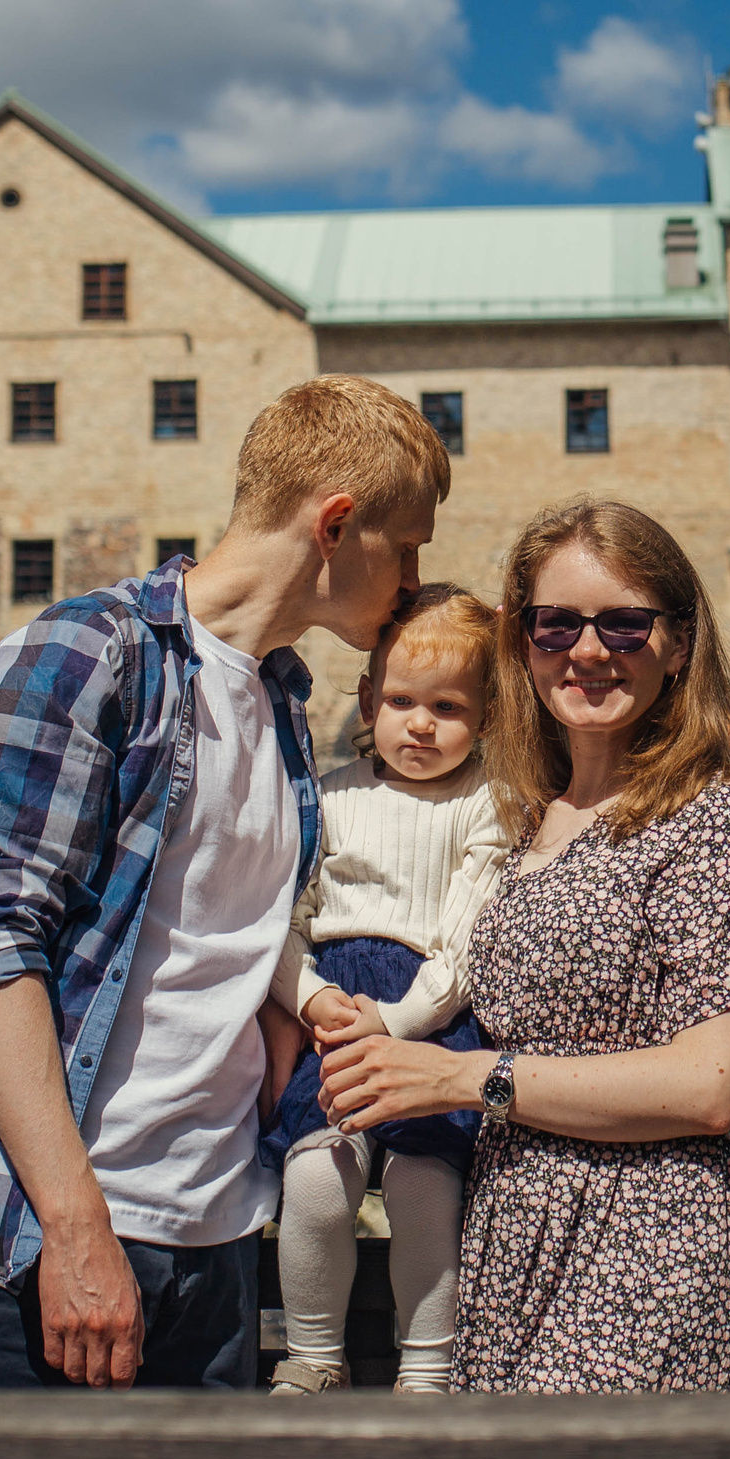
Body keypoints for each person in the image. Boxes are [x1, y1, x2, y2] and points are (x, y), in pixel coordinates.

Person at [0, 375, 449, 1391]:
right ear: (335, 524)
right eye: (406, 544)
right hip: (40, 1248)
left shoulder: (282, 701)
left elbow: (231, 945)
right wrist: (74, 1231)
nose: (415, 576)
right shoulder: (84, 657)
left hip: (217, 1242)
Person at [318, 497, 730, 1393]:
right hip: (513, 1247)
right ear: (523, 644)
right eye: (555, 624)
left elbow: (707, 1088)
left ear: (680, 645)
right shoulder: (528, 815)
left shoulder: (712, 814)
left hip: (650, 1250)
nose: (588, 650)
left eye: (625, 624)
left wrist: (461, 1078)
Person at [259, 584, 508, 1396]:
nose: (421, 724)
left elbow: (469, 939)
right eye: (401, 700)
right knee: (318, 1179)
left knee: (424, 1186)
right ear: (368, 698)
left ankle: (429, 1367)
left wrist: (398, 1020)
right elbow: (281, 918)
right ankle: (314, 1355)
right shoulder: (329, 795)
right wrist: (309, 998)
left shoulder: (487, 803)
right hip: (335, 1002)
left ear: (489, 714)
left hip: (430, 1018)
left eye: (448, 706)